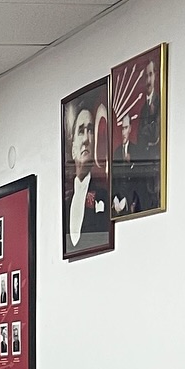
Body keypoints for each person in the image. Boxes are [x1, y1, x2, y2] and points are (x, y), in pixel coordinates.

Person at [65, 97, 109, 255]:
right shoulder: (65, 203)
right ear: (73, 149)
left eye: (90, 130)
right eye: (81, 131)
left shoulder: (103, 194)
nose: (85, 139)